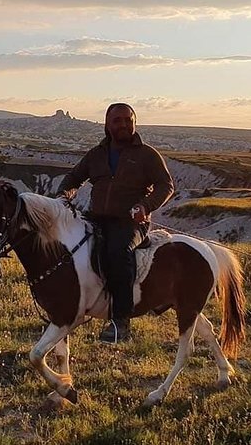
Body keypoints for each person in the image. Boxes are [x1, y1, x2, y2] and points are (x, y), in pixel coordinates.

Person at [57, 103, 174, 343]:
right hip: (96, 218)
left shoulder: (146, 155)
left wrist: (145, 206)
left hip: (131, 223)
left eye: (127, 120)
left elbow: (166, 185)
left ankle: (121, 321)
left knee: (118, 252)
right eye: (117, 121)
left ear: (134, 123)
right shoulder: (96, 154)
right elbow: (74, 178)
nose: (123, 125)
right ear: (107, 125)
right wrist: (64, 195)